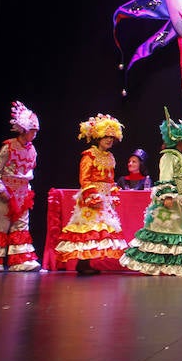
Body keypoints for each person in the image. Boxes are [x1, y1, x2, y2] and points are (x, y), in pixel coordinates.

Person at [120, 109, 182, 275]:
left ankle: (175, 265)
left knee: (178, 231)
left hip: (181, 202)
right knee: (166, 232)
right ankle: (155, 265)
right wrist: (167, 195)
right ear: (179, 140)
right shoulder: (169, 156)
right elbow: (165, 176)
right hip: (169, 202)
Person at [55, 113, 128, 275]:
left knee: (100, 230)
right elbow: (84, 178)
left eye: (111, 137)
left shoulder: (110, 156)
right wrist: (92, 195)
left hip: (105, 198)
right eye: (105, 136)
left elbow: (111, 178)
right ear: (98, 137)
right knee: (88, 230)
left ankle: (86, 263)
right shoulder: (89, 155)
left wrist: (114, 190)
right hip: (92, 197)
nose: (109, 140)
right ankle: (83, 262)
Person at [0, 102, 41, 272]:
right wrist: (0, 189)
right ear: (23, 129)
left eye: (36, 131)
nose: (34, 134)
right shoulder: (9, 146)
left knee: (21, 226)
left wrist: (27, 191)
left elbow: (29, 173)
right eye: (32, 131)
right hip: (6, 192)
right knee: (1, 225)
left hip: (23, 194)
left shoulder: (33, 150)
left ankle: (19, 260)